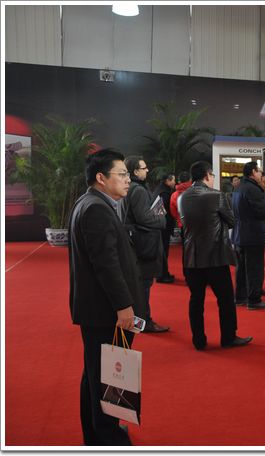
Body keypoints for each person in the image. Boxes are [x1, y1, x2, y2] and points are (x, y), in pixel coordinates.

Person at [68, 149, 142, 445]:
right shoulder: (96, 208)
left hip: (97, 310)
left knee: (96, 374)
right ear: (101, 177)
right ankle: (109, 439)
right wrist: (124, 306)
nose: (128, 179)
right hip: (106, 312)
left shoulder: (90, 202)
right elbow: (106, 265)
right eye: (122, 174)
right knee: (109, 376)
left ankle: (96, 435)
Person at [178, 161, 253, 350]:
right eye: (212, 176)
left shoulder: (182, 197)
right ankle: (228, 338)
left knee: (196, 300)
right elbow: (232, 221)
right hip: (215, 256)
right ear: (207, 175)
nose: (213, 179)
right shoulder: (216, 195)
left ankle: (199, 341)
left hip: (191, 257)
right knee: (225, 299)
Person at [121, 156, 169, 333]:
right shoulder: (139, 190)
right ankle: (143, 322)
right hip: (144, 245)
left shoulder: (128, 187)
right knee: (143, 287)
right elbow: (144, 218)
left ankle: (139, 321)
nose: (147, 170)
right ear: (135, 171)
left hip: (135, 243)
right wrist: (161, 218)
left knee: (138, 286)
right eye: (144, 168)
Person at [232, 161, 265, 310]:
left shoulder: (238, 187)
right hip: (252, 235)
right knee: (254, 269)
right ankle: (254, 300)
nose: (261, 174)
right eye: (259, 171)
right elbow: (262, 212)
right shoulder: (253, 189)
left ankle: (240, 297)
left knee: (241, 269)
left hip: (239, 234)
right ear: (253, 172)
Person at [153, 173, 176, 283]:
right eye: (173, 180)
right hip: (163, 226)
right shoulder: (164, 193)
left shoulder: (160, 190)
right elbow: (159, 211)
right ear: (167, 180)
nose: (175, 182)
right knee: (163, 251)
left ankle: (163, 273)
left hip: (161, 226)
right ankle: (162, 275)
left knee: (163, 251)